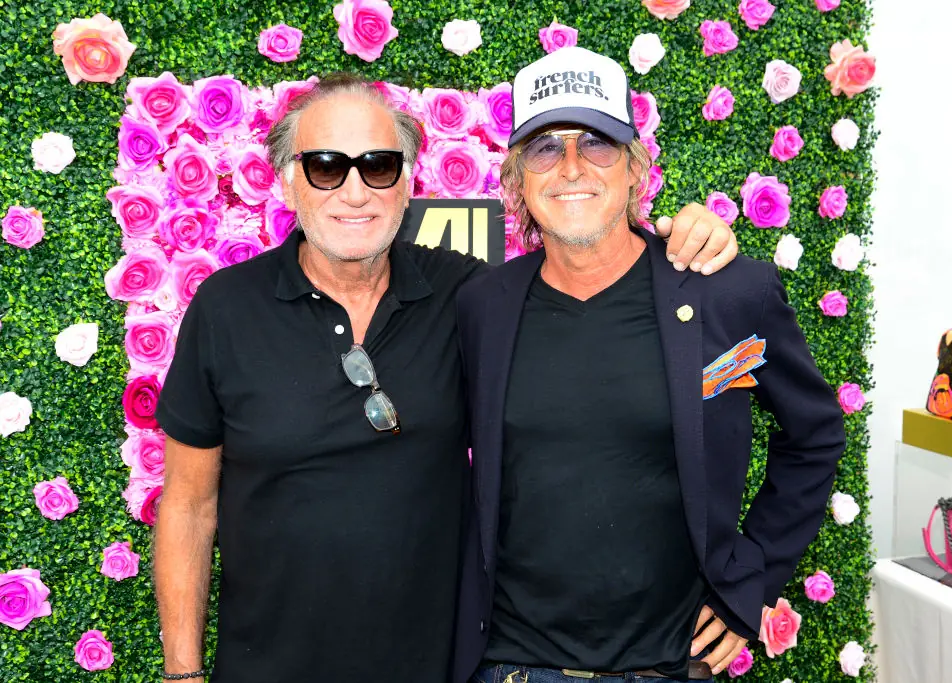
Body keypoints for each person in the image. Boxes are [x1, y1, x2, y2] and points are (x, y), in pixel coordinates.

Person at [152, 72, 739, 683]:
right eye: (326, 167)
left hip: (436, 666)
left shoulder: (468, 297)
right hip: (266, 667)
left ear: (407, 182)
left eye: (378, 166)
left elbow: (587, 303)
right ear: (287, 179)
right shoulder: (225, 308)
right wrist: (182, 674)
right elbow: (189, 506)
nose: (354, 191)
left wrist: (685, 239)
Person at [454, 47, 847, 683]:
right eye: (546, 148)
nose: (572, 167)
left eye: (597, 143)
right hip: (512, 663)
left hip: (667, 664)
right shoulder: (481, 306)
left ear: (636, 166)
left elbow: (816, 436)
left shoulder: (728, 293)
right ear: (517, 179)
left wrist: (753, 577)